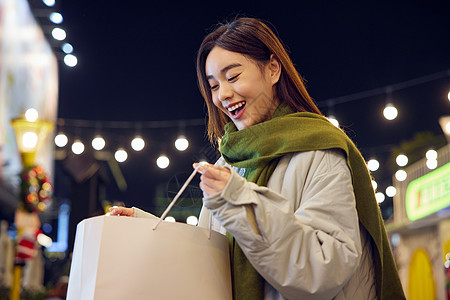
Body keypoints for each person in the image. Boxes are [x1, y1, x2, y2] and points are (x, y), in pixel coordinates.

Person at [110, 17, 405, 300]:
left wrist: (237, 201)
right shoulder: (229, 165)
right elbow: (210, 257)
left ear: (273, 69)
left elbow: (323, 270)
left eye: (233, 76)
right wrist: (146, 227)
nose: (223, 94)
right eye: (213, 85)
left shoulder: (319, 150)